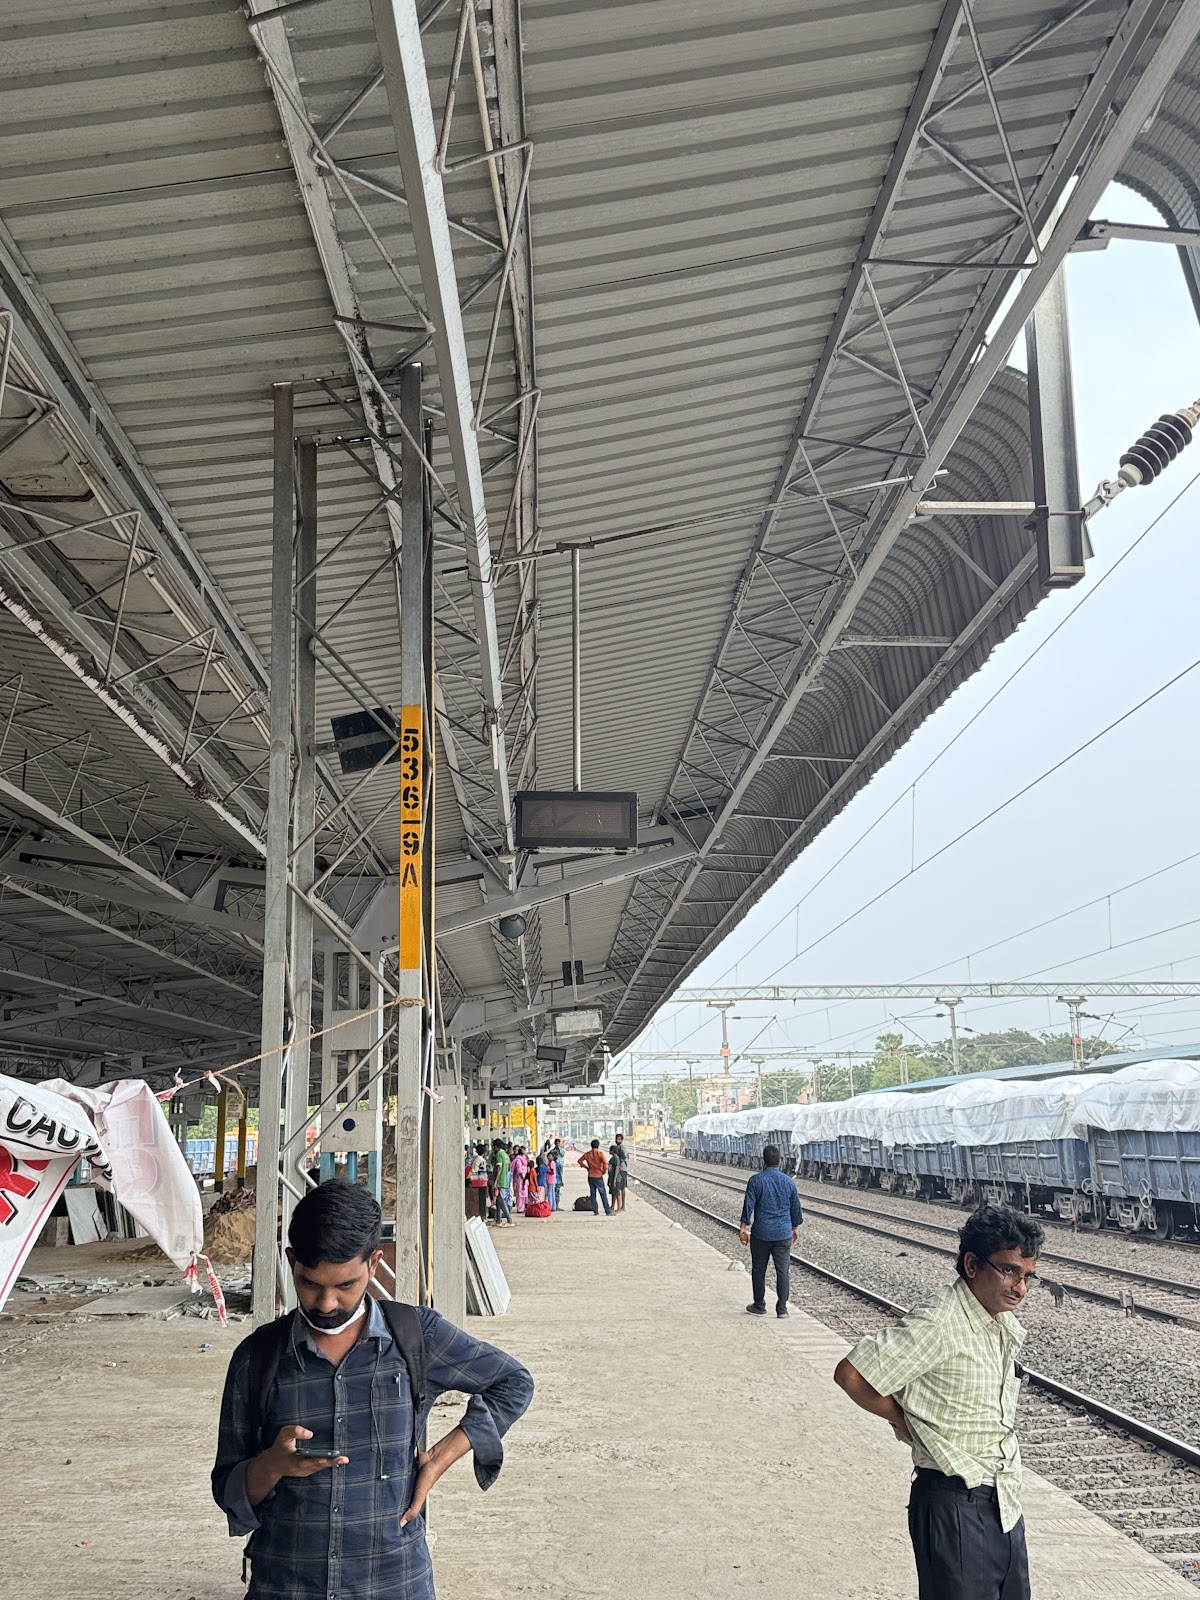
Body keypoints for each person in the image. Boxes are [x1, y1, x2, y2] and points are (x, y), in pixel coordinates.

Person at [212, 1181, 534, 1599]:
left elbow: (512, 1382)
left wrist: (440, 1456)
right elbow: (228, 1490)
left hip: (394, 1581)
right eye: (310, 1284)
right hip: (286, 1583)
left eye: (345, 1285)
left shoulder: (417, 1337)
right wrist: (272, 1465)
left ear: (375, 1263)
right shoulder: (257, 1358)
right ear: (291, 1262)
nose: (326, 1303)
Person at [833, 1204, 1044, 1600]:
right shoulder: (941, 1321)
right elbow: (852, 1374)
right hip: (954, 1505)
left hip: (1003, 1501)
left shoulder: (994, 1320)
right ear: (971, 1264)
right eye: (1009, 1271)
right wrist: (906, 1423)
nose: (1020, 1288)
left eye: (1027, 1276)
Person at [738, 1144, 801, 1317]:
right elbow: (796, 1208)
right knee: (783, 1270)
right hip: (783, 1233)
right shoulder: (789, 1182)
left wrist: (743, 1226)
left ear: (763, 1161)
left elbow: (748, 1205)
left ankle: (759, 1305)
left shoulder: (756, 1180)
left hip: (762, 1233)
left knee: (759, 1269)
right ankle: (782, 1309)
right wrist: (795, 1227)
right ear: (780, 1161)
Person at [577, 1139, 612, 1215]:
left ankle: (595, 1211)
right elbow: (605, 1163)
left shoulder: (587, 1154)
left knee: (593, 1194)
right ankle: (607, 1211)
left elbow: (579, 1161)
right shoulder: (600, 1154)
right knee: (603, 1194)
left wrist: (586, 1167)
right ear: (598, 1145)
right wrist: (604, 1171)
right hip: (598, 1176)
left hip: (590, 1175)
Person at [490, 1140, 512, 1227]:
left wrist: (495, 1181)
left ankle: (509, 1218)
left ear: (496, 1146)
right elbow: (509, 1166)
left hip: (500, 1180)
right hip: (505, 1178)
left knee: (500, 1200)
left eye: (493, 1146)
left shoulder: (499, 1154)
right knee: (499, 1200)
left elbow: (499, 1167)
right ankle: (498, 1219)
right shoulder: (505, 1154)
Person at [467, 1143, 489, 1222]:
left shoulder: (476, 1159)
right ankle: (482, 1215)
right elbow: (478, 1170)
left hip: (478, 1180)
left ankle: (482, 1215)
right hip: (479, 1181)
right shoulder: (481, 1160)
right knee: (481, 1199)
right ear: (484, 1152)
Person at [511, 1146, 529, 1217]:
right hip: (522, 1177)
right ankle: (522, 1207)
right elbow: (520, 1169)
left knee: (521, 1193)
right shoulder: (523, 1159)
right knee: (522, 1192)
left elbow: (519, 1169)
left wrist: (523, 1176)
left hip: (521, 1177)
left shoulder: (518, 1159)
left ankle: (521, 1207)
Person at [551, 1139, 565, 1210]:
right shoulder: (552, 1152)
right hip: (557, 1179)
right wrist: (562, 1181)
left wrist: (559, 1149)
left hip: (555, 1178)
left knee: (554, 1192)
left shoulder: (561, 1150)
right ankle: (556, 1206)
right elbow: (560, 1172)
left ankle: (555, 1206)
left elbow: (563, 1154)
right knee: (556, 1192)